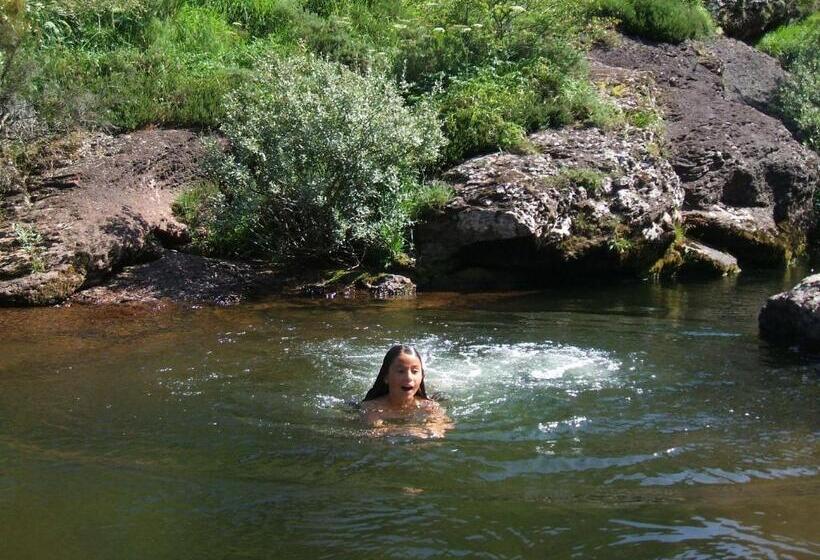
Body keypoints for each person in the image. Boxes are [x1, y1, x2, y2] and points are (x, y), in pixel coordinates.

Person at [361, 345, 452, 438]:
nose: (409, 377)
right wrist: (411, 430)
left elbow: (441, 428)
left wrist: (432, 429)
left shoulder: (429, 406)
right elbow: (375, 432)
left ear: (422, 376)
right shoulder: (372, 408)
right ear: (386, 377)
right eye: (401, 371)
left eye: (415, 371)